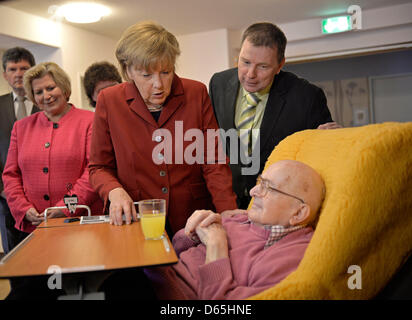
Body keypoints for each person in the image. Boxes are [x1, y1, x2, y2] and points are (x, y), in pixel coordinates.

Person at [88, 21, 237, 235]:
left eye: (166, 72)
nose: (159, 84)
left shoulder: (196, 93)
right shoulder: (109, 101)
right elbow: (99, 167)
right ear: (128, 70)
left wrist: (228, 212)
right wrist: (114, 191)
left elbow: (214, 161)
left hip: (193, 219)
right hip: (138, 219)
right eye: (147, 75)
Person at [144, 160, 325, 299]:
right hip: (155, 272)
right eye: (259, 182)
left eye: (268, 187)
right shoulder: (242, 217)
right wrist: (190, 234)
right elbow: (176, 249)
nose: (253, 192)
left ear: (299, 213)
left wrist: (216, 246)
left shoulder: (293, 255)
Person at [209, 22, 340, 209]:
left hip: (279, 206)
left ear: (280, 65)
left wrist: (329, 140)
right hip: (229, 202)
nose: (250, 74)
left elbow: (322, 158)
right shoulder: (218, 83)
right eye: (245, 62)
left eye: (263, 67)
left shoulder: (307, 97)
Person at [2, 62, 103, 236]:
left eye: (50, 88)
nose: (46, 96)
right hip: (35, 227)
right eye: (38, 92)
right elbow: (11, 175)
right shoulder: (21, 127)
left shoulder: (90, 121)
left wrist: (66, 206)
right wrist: (23, 208)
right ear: (33, 98)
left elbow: (93, 170)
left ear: (64, 88)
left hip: (80, 223)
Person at [0, 47, 40, 253]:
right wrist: (2, 188)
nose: (18, 73)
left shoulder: (46, 102)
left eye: (24, 68)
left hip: (43, 194)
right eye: (12, 69)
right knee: (14, 255)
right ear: (5, 74)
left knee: (45, 253)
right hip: (6, 197)